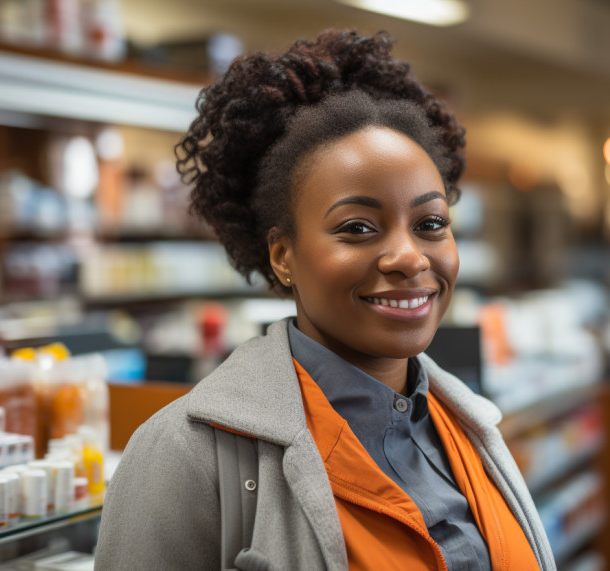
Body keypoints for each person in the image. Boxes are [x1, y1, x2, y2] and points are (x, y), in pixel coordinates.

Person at [95, 29, 554, 570]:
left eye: (430, 223)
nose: (409, 257)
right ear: (283, 256)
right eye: (358, 228)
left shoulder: (470, 428)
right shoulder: (184, 457)